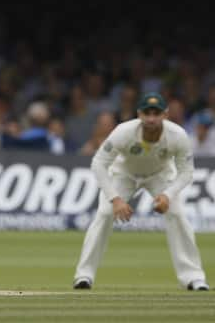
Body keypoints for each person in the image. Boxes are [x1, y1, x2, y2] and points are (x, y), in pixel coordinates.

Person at [73, 93, 209, 291]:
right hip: (124, 174)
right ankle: (84, 276)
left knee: (177, 214)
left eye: (156, 113)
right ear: (139, 114)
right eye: (147, 113)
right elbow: (99, 164)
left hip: (160, 175)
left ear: (165, 115)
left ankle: (192, 278)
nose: (152, 118)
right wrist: (116, 199)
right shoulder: (124, 132)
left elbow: (187, 172)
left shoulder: (178, 135)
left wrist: (167, 195)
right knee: (104, 213)